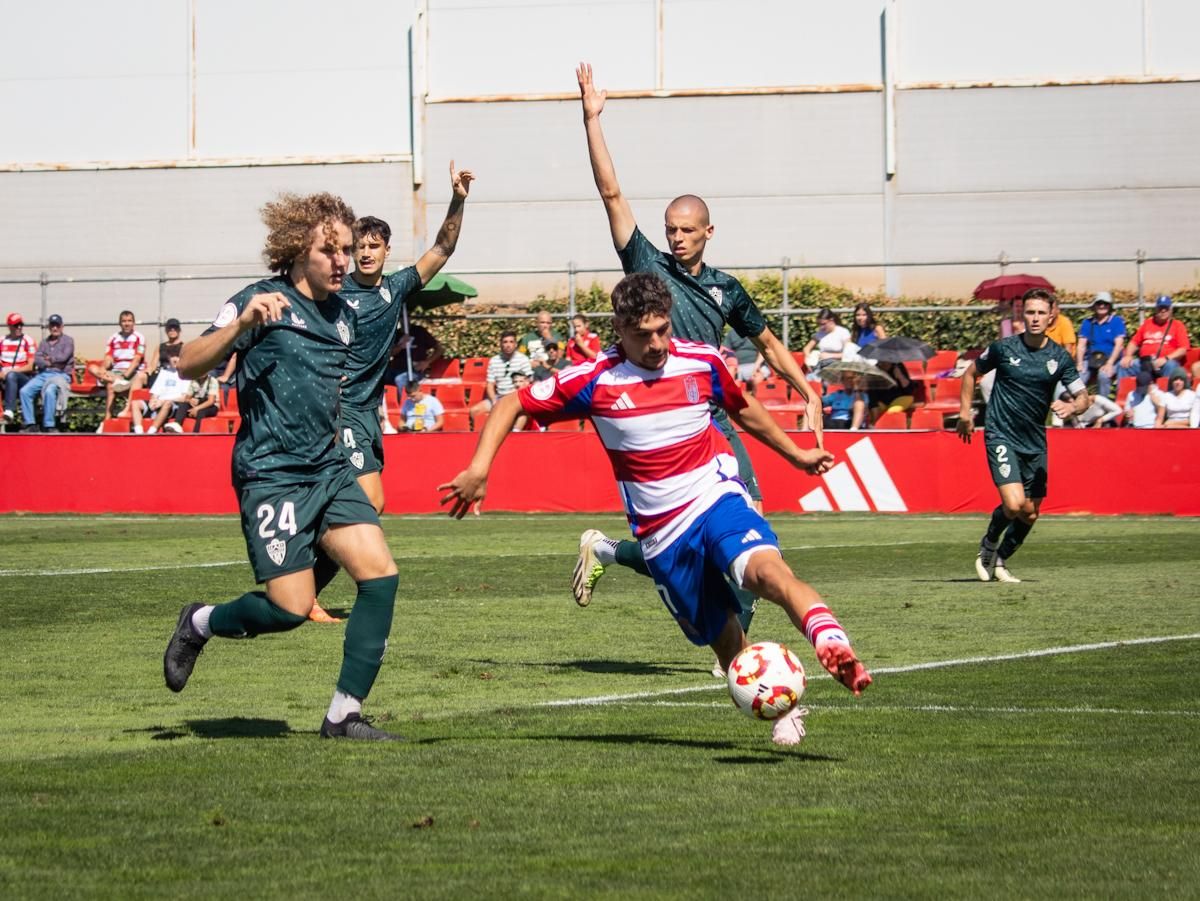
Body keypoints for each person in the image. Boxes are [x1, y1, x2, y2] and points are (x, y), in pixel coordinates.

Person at [438, 272, 870, 746]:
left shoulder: (702, 362)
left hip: (715, 494)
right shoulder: (594, 379)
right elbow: (511, 403)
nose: (657, 343)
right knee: (724, 637)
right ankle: (772, 698)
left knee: (768, 573)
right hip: (662, 536)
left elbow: (742, 408)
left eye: (663, 329)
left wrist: (797, 455)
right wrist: (479, 469)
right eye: (643, 334)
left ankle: (832, 642)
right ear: (619, 330)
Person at [572, 63, 823, 640]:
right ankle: (738, 650)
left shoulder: (726, 288)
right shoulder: (646, 264)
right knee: (681, 543)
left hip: (714, 420)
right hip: (661, 422)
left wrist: (806, 388)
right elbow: (610, 192)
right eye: (670, 228)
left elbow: (766, 341)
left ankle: (613, 556)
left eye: (687, 229)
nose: (676, 236)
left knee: (750, 527)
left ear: (709, 232)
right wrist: (592, 121)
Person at [163, 191, 402, 741]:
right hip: (272, 475)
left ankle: (344, 715)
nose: (342, 261)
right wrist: (241, 325)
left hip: (329, 468)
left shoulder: (345, 315)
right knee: (289, 609)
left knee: (380, 575)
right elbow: (189, 362)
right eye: (330, 250)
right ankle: (200, 622)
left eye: (346, 250)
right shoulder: (260, 300)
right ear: (298, 251)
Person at [339, 161, 472, 515]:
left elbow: (443, 248)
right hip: (340, 408)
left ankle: (304, 565)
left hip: (369, 410)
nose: (366, 253)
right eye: (360, 246)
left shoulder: (397, 287)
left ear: (387, 250)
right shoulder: (334, 290)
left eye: (374, 245)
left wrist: (457, 200)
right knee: (370, 504)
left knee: (360, 507)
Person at [957, 289, 1088, 584]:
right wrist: (965, 413)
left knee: (1030, 513)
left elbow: (1083, 397)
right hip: (1001, 433)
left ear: (1051, 315)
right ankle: (989, 544)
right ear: (1022, 315)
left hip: (1035, 441)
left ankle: (1001, 558)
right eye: (1030, 312)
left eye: (1041, 313)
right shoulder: (1004, 349)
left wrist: (1071, 405)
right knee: (1014, 505)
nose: (1035, 318)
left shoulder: (1058, 357)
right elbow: (969, 374)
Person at [18, 314, 74, 432]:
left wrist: (49, 359)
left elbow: (64, 357)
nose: (55, 328)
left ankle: (49, 425)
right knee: (25, 391)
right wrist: (48, 363)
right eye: (52, 325)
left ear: (62, 326)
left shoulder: (68, 341)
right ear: (49, 327)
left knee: (49, 391)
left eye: (57, 325)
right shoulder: (44, 342)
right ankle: (30, 424)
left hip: (61, 375)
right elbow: (37, 358)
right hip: (44, 374)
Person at [88, 311, 148, 420]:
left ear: (133, 323)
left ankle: (107, 419)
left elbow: (137, 360)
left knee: (110, 387)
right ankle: (114, 381)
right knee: (92, 367)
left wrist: (125, 377)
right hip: (116, 373)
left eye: (129, 321)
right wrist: (102, 369)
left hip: (132, 373)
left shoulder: (139, 337)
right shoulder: (113, 338)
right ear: (119, 323)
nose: (127, 324)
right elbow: (108, 358)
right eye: (124, 321)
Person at [1118, 295, 1190, 380]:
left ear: (1170, 309)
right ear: (1156, 309)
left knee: (1170, 365)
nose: (1163, 311)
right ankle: (1123, 392)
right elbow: (1134, 343)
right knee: (1123, 365)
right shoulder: (1148, 323)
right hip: (1145, 362)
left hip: (1166, 363)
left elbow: (1183, 350)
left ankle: (1166, 392)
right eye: (1160, 308)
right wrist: (1128, 356)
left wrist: (1166, 359)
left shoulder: (1177, 325)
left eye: (1166, 308)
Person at [469, 331, 532, 419]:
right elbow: (490, 384)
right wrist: (494, 401)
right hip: (500, 397)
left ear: (515, 344)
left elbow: (528, 381)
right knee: (474, 411)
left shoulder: (523, 359)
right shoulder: (494, 361)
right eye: (505, 342)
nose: (508, 345)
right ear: (501, 344)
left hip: (516, 397)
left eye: (511, 342)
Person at [1075, 292, 1126, 399]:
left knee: (1103, 375)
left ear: (1109, 306)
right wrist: (1079, 363)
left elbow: (1119, 345)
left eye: (1105, 303)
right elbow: (1081, 345)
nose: (1102, 306)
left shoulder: (1117, 321)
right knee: (1078, 378)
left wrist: (1110, 363)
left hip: (1112, 359)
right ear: (1094, 306)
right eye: (1099, 303)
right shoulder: (1087, 323)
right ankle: (1077, 407)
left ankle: (1103, 405)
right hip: (1092, 359)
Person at [132, 354, 191, 434]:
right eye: (172, 356)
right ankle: (139, 431)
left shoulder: (186, 374)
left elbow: (184, 397)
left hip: (171, 405)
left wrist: (163, 401)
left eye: (177, 357)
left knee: (167, 403)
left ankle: (152, 432)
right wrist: (153, 400)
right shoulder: (164, 372)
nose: (174, 359)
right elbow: (155, 392)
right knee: (135, 403)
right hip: (158, 403)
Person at [388, 321, 443, 396]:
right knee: (379, 378)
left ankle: (406, 404)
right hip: (396, 369)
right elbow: (390, 353)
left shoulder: (419, 331)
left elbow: (439, 349)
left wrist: (427, 362)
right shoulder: (396, 334)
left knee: (400, 379)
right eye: (400, 316)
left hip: (415, 370)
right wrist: (400, 346)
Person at [2, 313, 36, 428]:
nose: (19, 328)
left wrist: (10, 371)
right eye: (16, 325)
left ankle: (9, 410)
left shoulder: (28, 341)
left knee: (12, 375)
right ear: (9, 326)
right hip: (4, 377)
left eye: (21, 325)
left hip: (24, 379)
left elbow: (31, 366)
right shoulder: (2, 341)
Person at [802, 308, 852, 377]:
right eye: (819, 324)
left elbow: (849, 354)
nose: (821, 327)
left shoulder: (843, 332)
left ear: (831, 320)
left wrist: (829, 355)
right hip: (821, 364)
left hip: (837, 365)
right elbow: (806, 348)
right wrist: (809, 359)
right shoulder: (820, 333)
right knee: (811, 377)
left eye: (823, 324)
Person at [177, 364, 220, 432]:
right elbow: (187, 398)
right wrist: (190, 400)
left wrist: (196, 408)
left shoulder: (212, 381)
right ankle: (177, 426)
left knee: (201, 412)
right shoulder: (194, 381)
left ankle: (196, 432)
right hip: (197, 402)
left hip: (210, 406)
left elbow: (211, 401)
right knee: (183, 405)